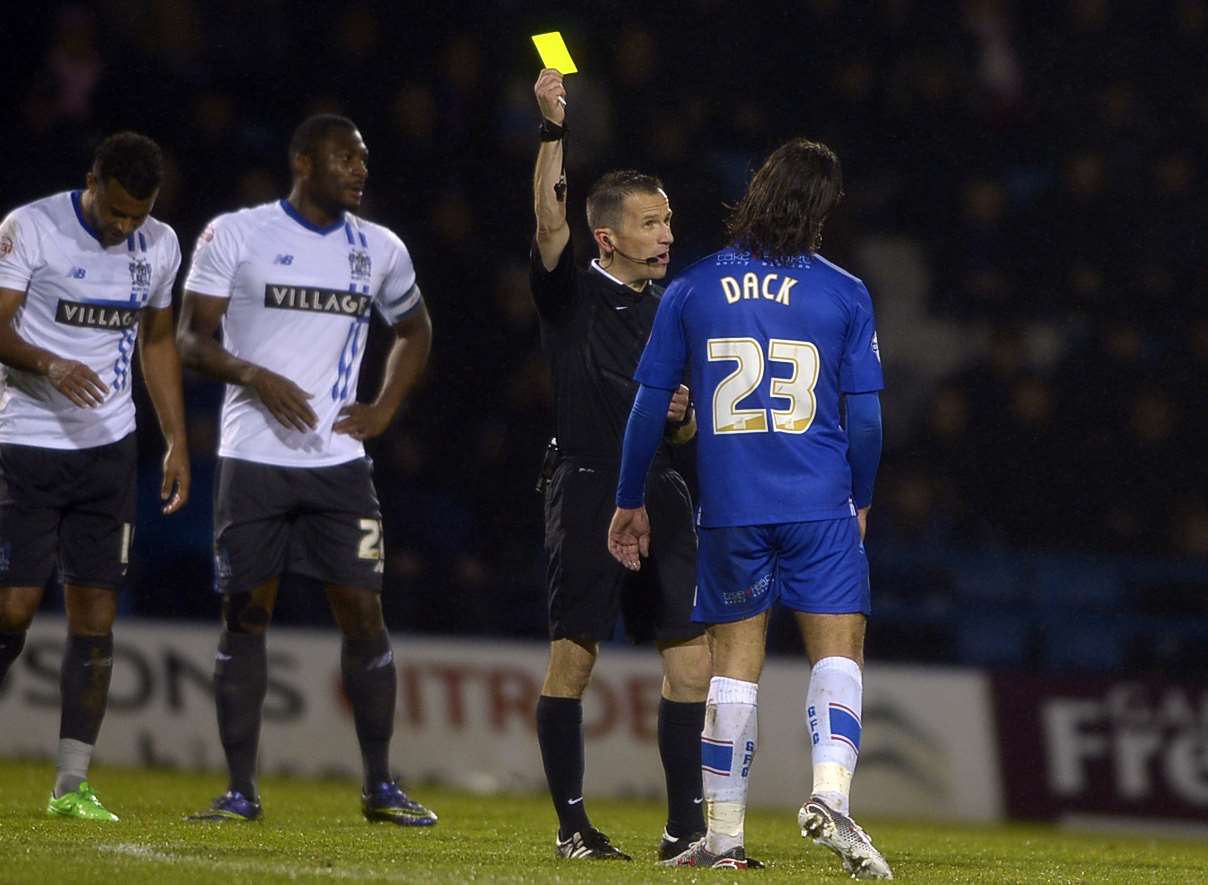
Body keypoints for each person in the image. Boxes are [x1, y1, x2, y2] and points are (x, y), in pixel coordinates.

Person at [608, 138, 893, 878]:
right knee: (840, 651)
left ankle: (724, 837)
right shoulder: (843, 292)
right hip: (819, 503)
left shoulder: (694, 287)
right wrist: (860, 496)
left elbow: (647, 408)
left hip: (732, 505)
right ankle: (830, 796)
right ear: (822, 209)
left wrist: (628, 496)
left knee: (733, 668)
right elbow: (864, 420)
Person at [177, 114, 435, 826]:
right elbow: (192, 341)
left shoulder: (379, 247)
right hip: (253, 458)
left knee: (364, 615)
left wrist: (383, 408)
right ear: (302, 161)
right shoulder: (235, 233)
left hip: (339, 464)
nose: (359, 169)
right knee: (245, 615)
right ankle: (240, 790)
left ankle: (380, 786)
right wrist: (254, 375)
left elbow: (415, 329)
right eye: (344, 157)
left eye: (363, 158)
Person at [529, 68, 711, 862]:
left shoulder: (677, 310)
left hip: (661, 489)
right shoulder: (571, 294)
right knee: (574, 654)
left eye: (668, 219)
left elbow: (688, 427)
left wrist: (683, 421)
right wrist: (551, 131)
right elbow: (546, 220)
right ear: (608, 237)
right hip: (587, 483)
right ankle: (574, 828)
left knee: (692, 661)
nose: (667, 233)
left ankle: (686, 830)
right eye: (649, 222)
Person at [0, 132, 189, 821]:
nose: (123, 226)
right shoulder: (32, 228)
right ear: (91, 181)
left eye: (137, 214)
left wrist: (176, 440)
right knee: (14, 608)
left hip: (108, 451)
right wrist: (48, 363)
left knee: (96, 618)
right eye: (114, 211)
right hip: (24, 439)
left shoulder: (160, 245)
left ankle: (71, 783)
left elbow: (159, 339)